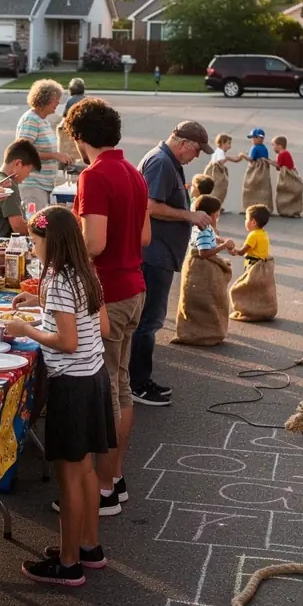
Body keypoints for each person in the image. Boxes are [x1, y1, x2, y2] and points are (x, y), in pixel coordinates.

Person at [3, 207, 114, 587]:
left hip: (72, 386)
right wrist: (41, 306)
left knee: (68, 479)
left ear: (50, 242)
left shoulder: (59, 280)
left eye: (34, 242)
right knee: (86, 471)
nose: (32, 249)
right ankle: (88, 547)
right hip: (95, 377)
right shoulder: (84, 271)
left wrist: (26, 329)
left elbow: (67, 341)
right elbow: (101, 324)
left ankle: (68, 565)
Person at [66, 98, 150, 513]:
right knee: (121, 385)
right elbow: (145, 236)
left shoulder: (94, 175)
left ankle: (101, 489)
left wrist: (63, 253)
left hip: (110, 293)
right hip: (134, 286)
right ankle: (113, 478)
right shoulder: (133, 171)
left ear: (79, 137)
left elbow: (94, 243)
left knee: (106, 392)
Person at [129, 121, 213, 407]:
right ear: (185, 144)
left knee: (148, 320)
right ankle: (136, 384)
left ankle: (140, 379)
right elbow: (150, 206)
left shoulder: (166, 160)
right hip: (154, 255)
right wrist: (189, 216)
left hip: (159, 253)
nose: (197, 156)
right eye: (197, 150)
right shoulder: (162, 162)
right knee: (148, 321)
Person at [173, 194, 234, 346]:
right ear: (211, 215)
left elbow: (213, 237)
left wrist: (222, 241)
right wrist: (224, 246)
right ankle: (203, 333)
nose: (218, 216)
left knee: (199, 302)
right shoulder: (203, 230)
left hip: (195, 266)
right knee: (205, 301)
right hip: (201, 268)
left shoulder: (202, 227)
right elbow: (204, 252)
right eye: (217, 214)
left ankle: (196, 331)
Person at [15, 79, 71, 212]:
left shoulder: (43, 120)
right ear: (44, 100)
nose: (58, 103)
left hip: (44, 184)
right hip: (33, 184)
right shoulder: (30, 120)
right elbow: (23, 151)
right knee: (36, 223)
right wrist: (54, 155)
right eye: (55, 100)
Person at [0, 139, 42, 239]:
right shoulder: (8, 185)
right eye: (29, 170)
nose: (27, 175)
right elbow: (18, 226)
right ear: (18, 163)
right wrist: (42, 232)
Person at [58, 78, 86, 163]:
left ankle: (66, 161)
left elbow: (65, 115)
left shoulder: (70, 100)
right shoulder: (86, 99)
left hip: (73, 127)